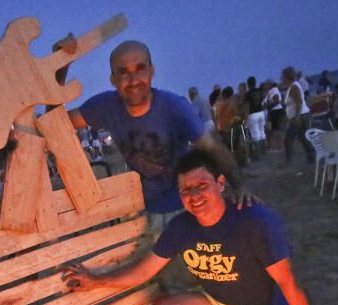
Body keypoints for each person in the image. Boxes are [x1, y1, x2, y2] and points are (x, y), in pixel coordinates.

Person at [62, 149, 332, 305]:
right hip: (218, 304)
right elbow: (144, 270)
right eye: (186, 190)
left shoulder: (254, 221)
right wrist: (95, 280)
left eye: (202, 185)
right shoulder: (182, 227)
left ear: (221, 183)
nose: (194, 196)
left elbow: (288, 283)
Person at [68, 40, 257, 224]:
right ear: (113, 79)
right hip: (145, 208)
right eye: (123, 73)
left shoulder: (174, 107)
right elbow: (55, 123)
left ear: (152, 71)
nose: (133, 80)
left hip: (185, 206)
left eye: (140, 69)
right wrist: (62, 65)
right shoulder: (105, 107)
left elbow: (212, 147)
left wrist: (240, 185)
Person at [281, 67, 315, 166]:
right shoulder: (292, 86)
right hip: (301, 115)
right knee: (303, 137)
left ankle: (289, 160)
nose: (281, 78)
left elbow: (299, 102)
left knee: (288, 138)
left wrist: (296, 117)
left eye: (282, 76)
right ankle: (310, 157)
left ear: (287, 77)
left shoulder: (294, 87)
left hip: (300, 116)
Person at [264, 80, 285, 150]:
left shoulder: (273, 90)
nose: (265, 86)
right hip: (275, 111)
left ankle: (279, 144)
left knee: (276, 129)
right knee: (275, 129)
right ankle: (278, 144)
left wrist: (268, 105)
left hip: (276, 111)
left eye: (267, 85)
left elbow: (277, 101)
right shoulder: (273, 91)